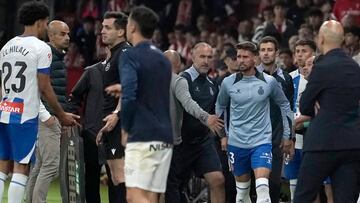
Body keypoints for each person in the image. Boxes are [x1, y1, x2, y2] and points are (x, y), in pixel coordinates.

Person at [0, 2, 78, 203]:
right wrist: (61, 115)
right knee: (21, 166)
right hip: (25, 115)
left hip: (5, 110)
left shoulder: (6, 47)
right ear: (41, 22)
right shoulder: (42, 48)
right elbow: (44, 87)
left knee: (2, 167)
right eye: (45, 23)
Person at [216, 41, 293, 203]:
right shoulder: (228, 82)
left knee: (263, 189)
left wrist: (287, 134)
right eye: (238, 57)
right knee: (242, 194)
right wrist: (223, 135)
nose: (241, 60)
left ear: (255, 59)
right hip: (236, 143)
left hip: (261, 142)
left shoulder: (269, 82)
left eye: (245, 57)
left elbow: (285, 105)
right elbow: (220, 107)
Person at [293, 20, 360, 202]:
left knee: (303, 197)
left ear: (321, 39)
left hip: (322, 144)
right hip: (352, 144)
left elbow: (305, 105)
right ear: (343, 40)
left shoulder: (321, 68)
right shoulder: (355, 68)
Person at [120, 6, 173, 203]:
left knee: (134, 196)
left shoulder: (130, 55)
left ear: (132, 27)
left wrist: (125, 128)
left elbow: (129, 95)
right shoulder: (163, 59)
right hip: (164, 136)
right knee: (151, 196)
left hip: (142, 134)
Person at [166, 42, 226, 203]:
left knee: (218, 180)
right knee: (173, 188)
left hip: (202, 142)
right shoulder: (181, 80)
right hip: (181, 144)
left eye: (209, 57)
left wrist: (222, 136)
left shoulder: (212, 85)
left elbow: (216, 116)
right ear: (192, 57)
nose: (206, 61)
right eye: (202, 57)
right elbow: (187, 105)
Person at [25, 20, 70, 203]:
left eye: (68, 34)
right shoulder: (47, 54)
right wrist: (47, 116)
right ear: (50, 35)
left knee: (40, 165)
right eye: (62, 34)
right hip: (46, 118)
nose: (67, 37)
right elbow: (35, 87)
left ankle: (29, 200)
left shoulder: (56, 56)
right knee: (51, 165)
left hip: (44, 115)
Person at [95, 11, 131, 203]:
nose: (102, 31)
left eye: (108, 28)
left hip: (121, 123)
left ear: (121, 32)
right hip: (111, 122)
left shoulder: (125, 53)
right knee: (115, 178)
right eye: (102, 27)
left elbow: (129, 86)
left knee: (121, 177)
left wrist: (116, 114)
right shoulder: (113, 55)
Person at [256, 36, 294, 203]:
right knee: (253, 185)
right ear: (258, 53)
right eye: (263, 50)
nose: (266, 53)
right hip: (252, 139)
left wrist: (290, 138)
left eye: (269, 50)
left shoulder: (286, 79)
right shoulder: (249, 76)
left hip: (277, 139)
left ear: (276, 53)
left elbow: (289, 110)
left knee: (274, 184)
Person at [285, 39, 316, 201]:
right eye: (297, 51)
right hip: (293, 140)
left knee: (317, 186)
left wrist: (302, 123)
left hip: (315, 139)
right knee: (294, 183)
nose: (300, 54)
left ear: (313, 53)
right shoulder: (289, 78)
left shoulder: (320, 78)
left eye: (304, 51)